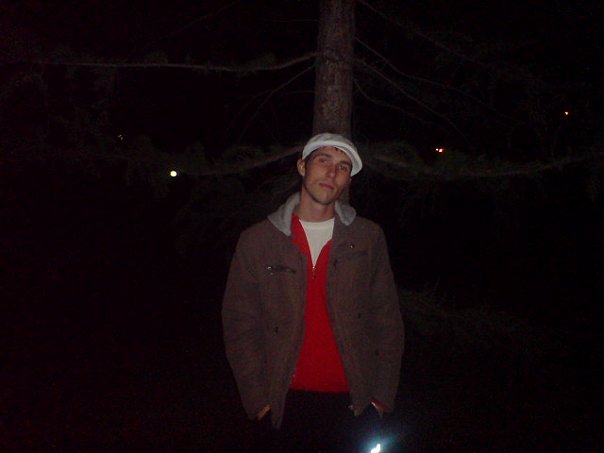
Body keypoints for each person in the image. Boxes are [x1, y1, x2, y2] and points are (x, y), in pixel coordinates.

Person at [222, 133, 404, 452]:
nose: (332, 172)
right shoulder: (259, 241)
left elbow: (387, 321)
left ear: (348, 180)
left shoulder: (367, 238)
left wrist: (380, 399)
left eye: (343, 167)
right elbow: (240, 325)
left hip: (354, 405)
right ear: (302, 167)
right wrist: (258, 401)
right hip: (281, 405)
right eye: (323, 160)